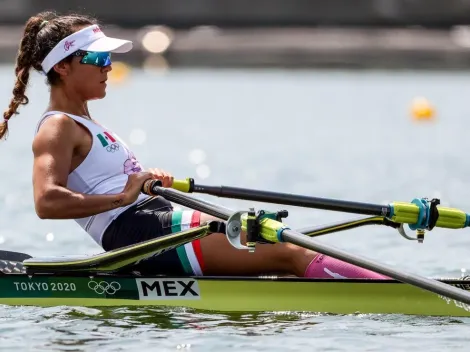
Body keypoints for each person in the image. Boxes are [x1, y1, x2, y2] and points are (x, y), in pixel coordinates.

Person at [1, 11, 388, 279]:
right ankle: (394, 293)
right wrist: (123, 196)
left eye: (109, 58)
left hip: (154, 221)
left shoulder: (87, 122)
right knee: (286, 250)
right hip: (138, 235)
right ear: (63, 67)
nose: (108, 67)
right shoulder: (56, 129)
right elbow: (46, 201)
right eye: (98, 57)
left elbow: (119, 186)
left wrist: (149, 184)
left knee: (266, 235)